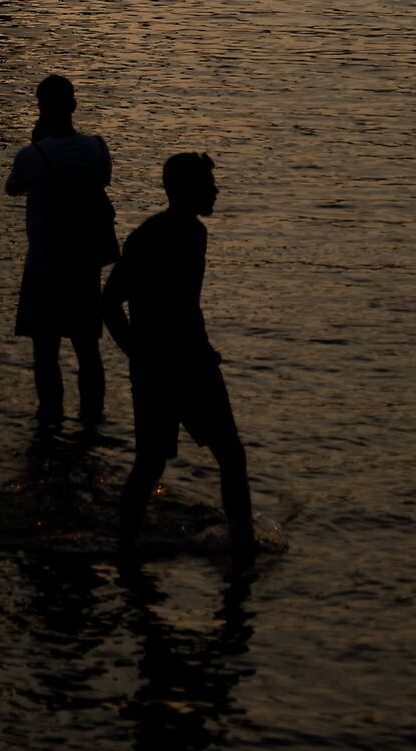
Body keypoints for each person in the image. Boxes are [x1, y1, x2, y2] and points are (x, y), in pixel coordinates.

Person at [102, 151, 254, 556]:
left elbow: (178, 305)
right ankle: (239, 540)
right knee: (180, 460)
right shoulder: (152, 237)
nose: (216, 191)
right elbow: (111, 301)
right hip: (172, 367)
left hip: (187, 362)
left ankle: (131, 544)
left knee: (201, 457)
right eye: (208, 184)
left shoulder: (187, 233)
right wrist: (138, 353)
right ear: (186, 189)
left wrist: (145, 355)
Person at [5, 74, 117, 425]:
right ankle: (92, 417)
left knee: (45, 351)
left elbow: (12, 188)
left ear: (40, 108)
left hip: (44, 265)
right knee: (88, 348)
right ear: (74, 105)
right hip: (85, 264)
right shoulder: (98, 148)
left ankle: (49, 416)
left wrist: (36, 143)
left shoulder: (32, 155)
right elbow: (101, 181)